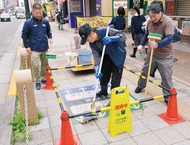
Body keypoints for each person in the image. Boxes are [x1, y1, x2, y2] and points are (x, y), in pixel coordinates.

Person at [134, 1, 175, 104]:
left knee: (166, 77)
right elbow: (146, 34)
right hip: (152, 53)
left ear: (159, 12)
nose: (152, 19)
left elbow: (169, 38)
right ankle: (140, 85)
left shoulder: (168, 21)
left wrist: (158, 45)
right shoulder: (149, 21)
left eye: (154, 16)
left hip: (165, 55)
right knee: (144, 71)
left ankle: (168, 97)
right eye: (150, 16)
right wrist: (141, 44)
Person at [78, 24, 126, 99]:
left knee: (115, 79)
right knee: (104, 75)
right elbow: (96, 55)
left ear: (92, 33)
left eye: (87, 39)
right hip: (106, 56)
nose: (88, 41)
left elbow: (123, 36)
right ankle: (103, 91)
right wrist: (97, 66)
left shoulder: (105, 31)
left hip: (117, 55)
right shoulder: (92, 43)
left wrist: (112, 38)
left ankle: (114, 97)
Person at [21, 3, 53, 90]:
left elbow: (48, 32)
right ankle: (37, 81)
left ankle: (43, 78)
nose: (39, 15)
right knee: (35, 65)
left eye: (40, 13)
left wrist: (50, 37)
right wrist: (27, 46)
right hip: (34, 49)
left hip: (44, 48)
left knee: (44, 64)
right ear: (33, 12)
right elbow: (24, 35)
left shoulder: (45, 21)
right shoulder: (28, 23)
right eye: (37, 13)